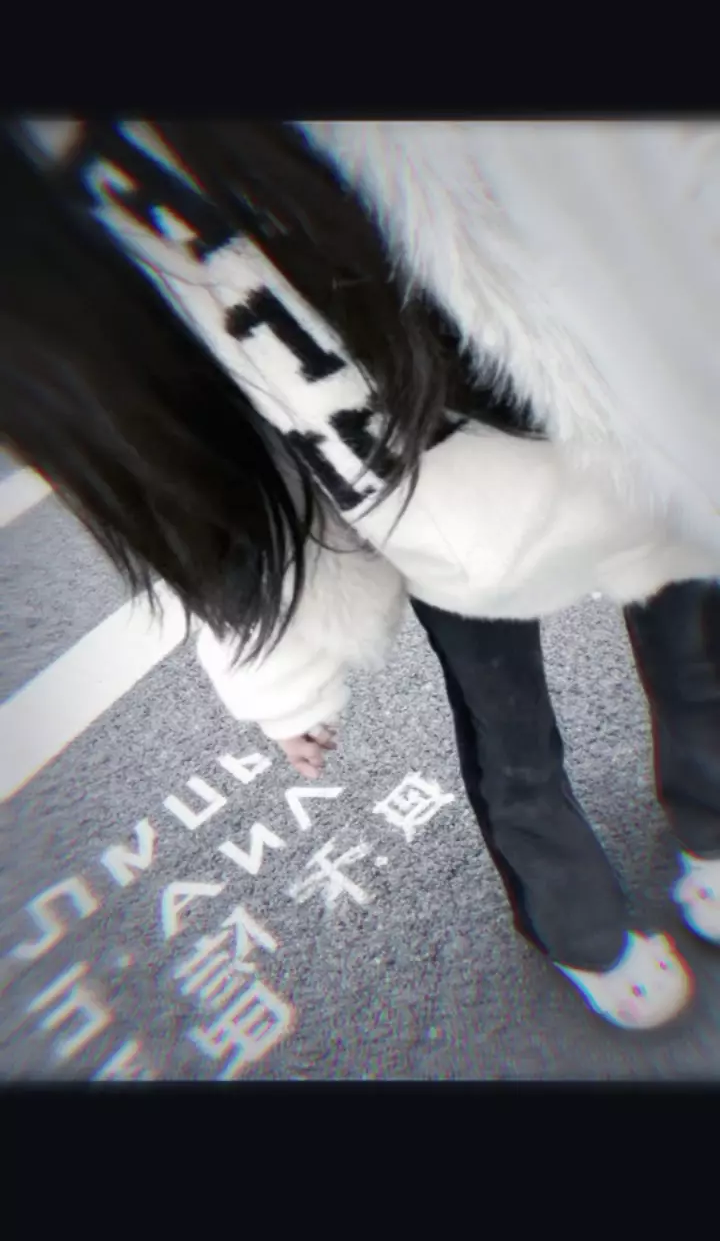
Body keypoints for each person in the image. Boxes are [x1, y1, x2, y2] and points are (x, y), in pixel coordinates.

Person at [2, 118, 720, 1034]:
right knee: (517, 732)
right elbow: (194, 444)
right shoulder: (70, 156)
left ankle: (703, 823)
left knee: (687, 648)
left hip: (625, 401)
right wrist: (282, 671)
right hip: (441, 490)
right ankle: (578, 921)